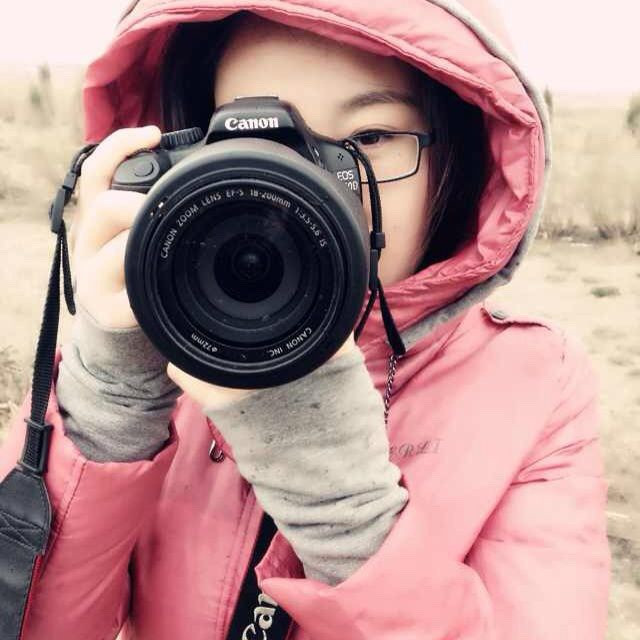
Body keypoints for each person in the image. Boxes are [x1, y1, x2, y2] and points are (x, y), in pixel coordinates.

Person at [0, 2, 611, 639]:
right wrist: (110, 400)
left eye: (369, 138)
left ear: (456, 160)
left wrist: (343, 511)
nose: (306, 187)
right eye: (261, 142)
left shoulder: (534, 385)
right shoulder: (158, 352)